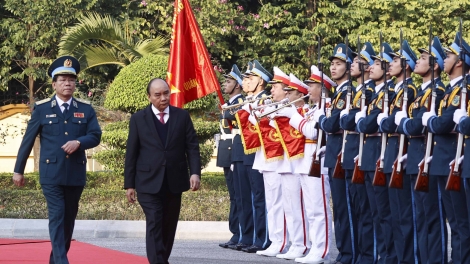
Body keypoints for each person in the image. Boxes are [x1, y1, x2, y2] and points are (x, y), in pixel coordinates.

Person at [13, 55, 102, 264]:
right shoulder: (42, 109)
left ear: (75, 83)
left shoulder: (85, 109)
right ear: (54, 84)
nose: (67, 83)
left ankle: (56, 260)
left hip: (75, 174)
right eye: (62, 80)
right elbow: (27, 142)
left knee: (69, 220)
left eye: (71, 80)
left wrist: (79, 142)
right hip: (51, 174)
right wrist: (19, 170)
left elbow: (96, 135)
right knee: (57, 215)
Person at [124, 78, 201, 264]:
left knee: (168, 225)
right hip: (147, 182)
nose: (163, 98)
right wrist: (129, 184)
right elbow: (131, 153)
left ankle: (162, 259)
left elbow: (192, 147)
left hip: (174, 181)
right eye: (157, 95)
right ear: (149, 97)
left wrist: (195, 172)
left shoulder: (182, 116)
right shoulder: (138, 119)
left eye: (166, 93)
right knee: (154, 222)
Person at [395, 36, 447, 263]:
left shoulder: (437, 90)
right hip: (415, 157)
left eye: (424, 58)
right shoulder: (422, 93)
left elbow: (416, 125)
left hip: (429, 158)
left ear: (435, 65)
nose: (417, 61)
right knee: (421, 218)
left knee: (433, 218)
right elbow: (414, 122)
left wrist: (404, 123)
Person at [422, 32, 470, 263]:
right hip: (445, 160)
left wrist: (428, 121)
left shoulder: (464, 89)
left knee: (462, 222)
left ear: (460, 61)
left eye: (449, 55)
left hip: (457, 160)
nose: (444, 59)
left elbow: (443, 123)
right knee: (456, 221)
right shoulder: (452, 90)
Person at [313, 43, 357, 264]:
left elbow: (332, 124)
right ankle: (344, 251)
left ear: (348, 68)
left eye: (338, 64)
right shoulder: (340, 92)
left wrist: (321, 119)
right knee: (339, 207)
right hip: (334, 153)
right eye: (332, 63)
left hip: (342, 154)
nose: (333, 67)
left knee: (345, 208)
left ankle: (348, 253)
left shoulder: (347, 92)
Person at [355, 42, 396, 263]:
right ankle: (378, 256)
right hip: (370, 156)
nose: (371, 67)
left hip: (380, 156)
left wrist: (363, 122)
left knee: (384, 214)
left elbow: (366, 125)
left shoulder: (387, 93)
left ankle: (387, 257)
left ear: (388, 69)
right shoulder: (375, 94)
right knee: (373, 212)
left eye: (377, 64)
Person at [377, 39, 417, 264]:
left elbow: (392, 124)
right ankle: (394, 258)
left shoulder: (409, 89)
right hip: (392, 152)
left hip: (402, 153)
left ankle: (406, 259)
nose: (390, 64)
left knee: (403, 215)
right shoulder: (397, 90)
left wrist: (386, 122)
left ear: (407, 65)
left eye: (396, 60)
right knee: (390, 213)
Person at [340, 42, 376, 263]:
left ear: (367, 67)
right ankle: (359, 254)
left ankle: (367, 256)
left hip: (362, 151)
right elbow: (345, 120)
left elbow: (350, 121)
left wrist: (349, 119)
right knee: (356, 208)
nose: (352, 65)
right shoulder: (356, 91)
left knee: (366, 210)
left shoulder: (369, 91)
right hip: (352, 151)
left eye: (356, 62)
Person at [218, 64, 244, 249]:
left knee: (239, 196)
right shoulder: (228, 104)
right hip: (227, 154)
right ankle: (235, 232)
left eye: (228, 81)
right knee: (234, 197)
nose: (224, 84)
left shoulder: (240, 102)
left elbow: (234, 121)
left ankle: (240, 233)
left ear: (237, 85)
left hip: (236, 152)